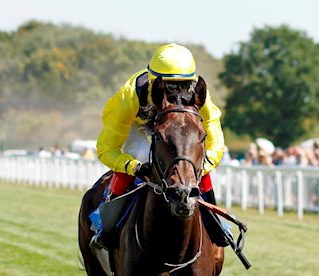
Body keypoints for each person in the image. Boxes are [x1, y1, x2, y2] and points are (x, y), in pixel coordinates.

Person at [91, 43, 225, 249]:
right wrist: (133, 167)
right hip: (139, 126)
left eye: (184, 85)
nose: (178, 93)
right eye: (171, 86)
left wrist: (202, 165)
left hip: (175, 129)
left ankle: (215, 220)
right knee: (141, 154)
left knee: (191, 157)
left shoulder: (200, 96)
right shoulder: (130, 98)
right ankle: (105, 222)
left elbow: (215, 143)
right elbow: (106, 149)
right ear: (155, 82)